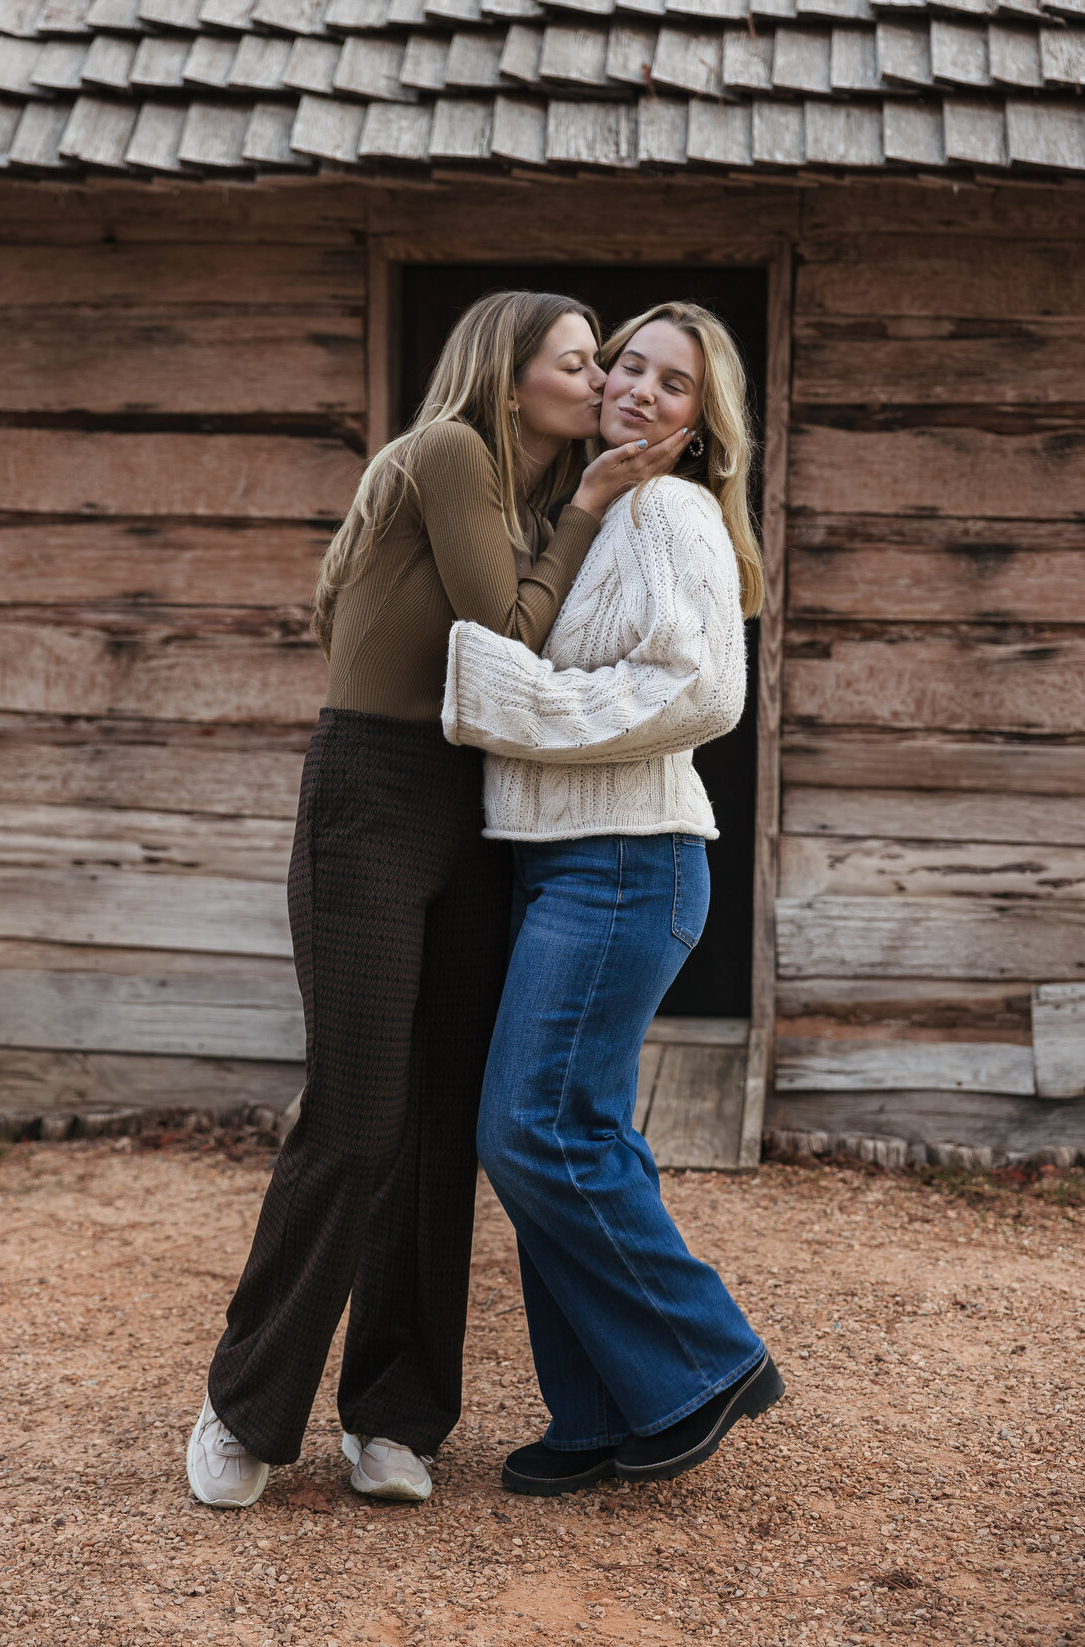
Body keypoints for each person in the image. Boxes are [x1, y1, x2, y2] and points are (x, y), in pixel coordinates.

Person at [186, 290, 691, 1509]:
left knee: (438, 1123)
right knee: (357, 1115)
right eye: (577, 362)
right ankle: (244, 1411)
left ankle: (396, 1417)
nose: (601, 380)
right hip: (371, 794)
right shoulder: (458, 452)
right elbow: (509, 628)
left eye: (606, 363)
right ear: (509, 376)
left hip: (481, 810)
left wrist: (593, 510)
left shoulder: (524, 497)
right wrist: (591, 502)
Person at [442, 301, 784, 1497]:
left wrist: (514, 708)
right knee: (572, 1135)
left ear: (701, 427)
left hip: (627, 859)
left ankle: (703, 1361)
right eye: (626, 366)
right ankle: (595, 1414)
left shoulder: (671, 510)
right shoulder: (593, 514)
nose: (638, 389)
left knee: (532, 1131)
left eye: (673, 383)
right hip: (568, 858)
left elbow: (701, 692)